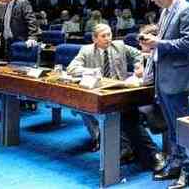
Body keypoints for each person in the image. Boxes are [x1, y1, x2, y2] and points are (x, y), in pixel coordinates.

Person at [66, 24, 163, 172]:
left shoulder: (120, 46)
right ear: (94, 38)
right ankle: (116, 145)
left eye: (109, 35)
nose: (108, 39)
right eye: (103, 36)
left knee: (127, 116)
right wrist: (90, 70)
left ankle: (133, 150)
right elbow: (71, 68)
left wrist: (138, 64)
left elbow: (137, 54)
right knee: (86, 108)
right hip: (99, 92)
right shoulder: (86, 51)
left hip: (120, 91)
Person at [141, 0, 189, 189]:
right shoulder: (166, 10)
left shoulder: (187, 10)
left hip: (178, 78)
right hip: (164, 77)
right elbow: (166, 40)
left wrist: (158, 43)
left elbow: (188, 43)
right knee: (171, 127)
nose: (155, 1)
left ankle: (188, 172)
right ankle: (175, 165)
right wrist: (154, 43)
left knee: (181, 127)